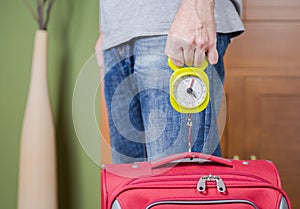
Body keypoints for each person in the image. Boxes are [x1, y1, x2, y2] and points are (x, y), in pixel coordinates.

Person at [95, 0, 244, 164]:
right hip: (116, 35)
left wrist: (196, 8)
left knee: (181, 182)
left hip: (175, 26)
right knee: (130, 184)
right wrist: (109, 27)